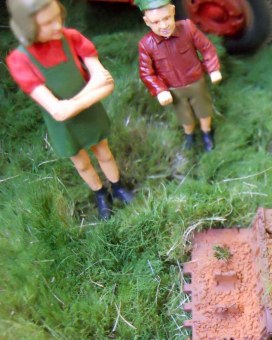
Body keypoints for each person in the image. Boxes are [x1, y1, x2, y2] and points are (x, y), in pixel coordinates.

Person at [6, 0, 134, 220]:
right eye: (47, 23)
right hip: (63, 126)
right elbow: (58, 112)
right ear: (27, 27)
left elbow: (106, 83)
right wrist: (91, 89)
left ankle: (118, 186)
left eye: (58, 16)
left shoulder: (71, 37)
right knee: (81, 163)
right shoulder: (20, 60)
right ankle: (100, 193)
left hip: (89, 114)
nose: (57, 25)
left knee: (104, 152)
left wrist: (71, 103)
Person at [136, 0, 222, 152]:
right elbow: (146, 72)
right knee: (184, 116)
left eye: (166, 18)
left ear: (173, 11)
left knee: (203, 109)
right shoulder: (146, 44)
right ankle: (189, 134)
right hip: (173, 89)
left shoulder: (187, 28)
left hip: (196, 82)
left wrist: (213, 68)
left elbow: (206, 48)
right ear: (147, 22)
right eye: (156, 22)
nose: (164, 25)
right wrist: (160, 90)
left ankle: (206, 132)